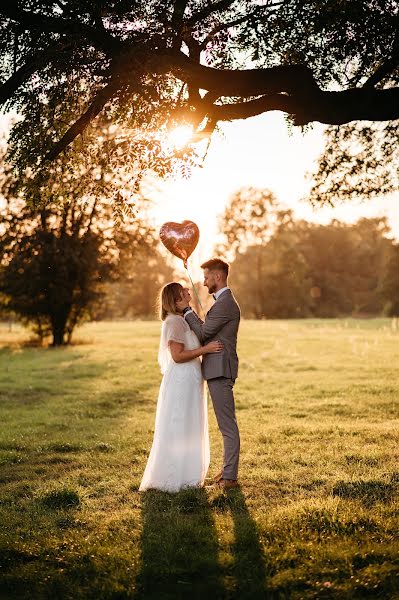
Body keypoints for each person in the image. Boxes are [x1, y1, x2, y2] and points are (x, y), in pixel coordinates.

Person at [139, 282, 223, 493]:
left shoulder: (183, 319)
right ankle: (173, 478)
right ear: (175, 300)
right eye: (184, 292)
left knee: (191, 424)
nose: (188, 291)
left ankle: (189, 477)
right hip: (182, 380)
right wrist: (206, 349)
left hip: (192, 378)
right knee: (180, 424)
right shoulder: (174, 323)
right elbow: (177, 357)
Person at [177, 258, 241, 490]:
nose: (203, 283)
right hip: (217, 369)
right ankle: (227, 470)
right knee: (225, 424)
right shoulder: (222, 303)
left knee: (227, 426)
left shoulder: (225, 304)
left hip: (220, 370)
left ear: (217, 276)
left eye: (206, 277)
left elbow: (204, 333)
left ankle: (230, 478)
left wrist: (186, 310)